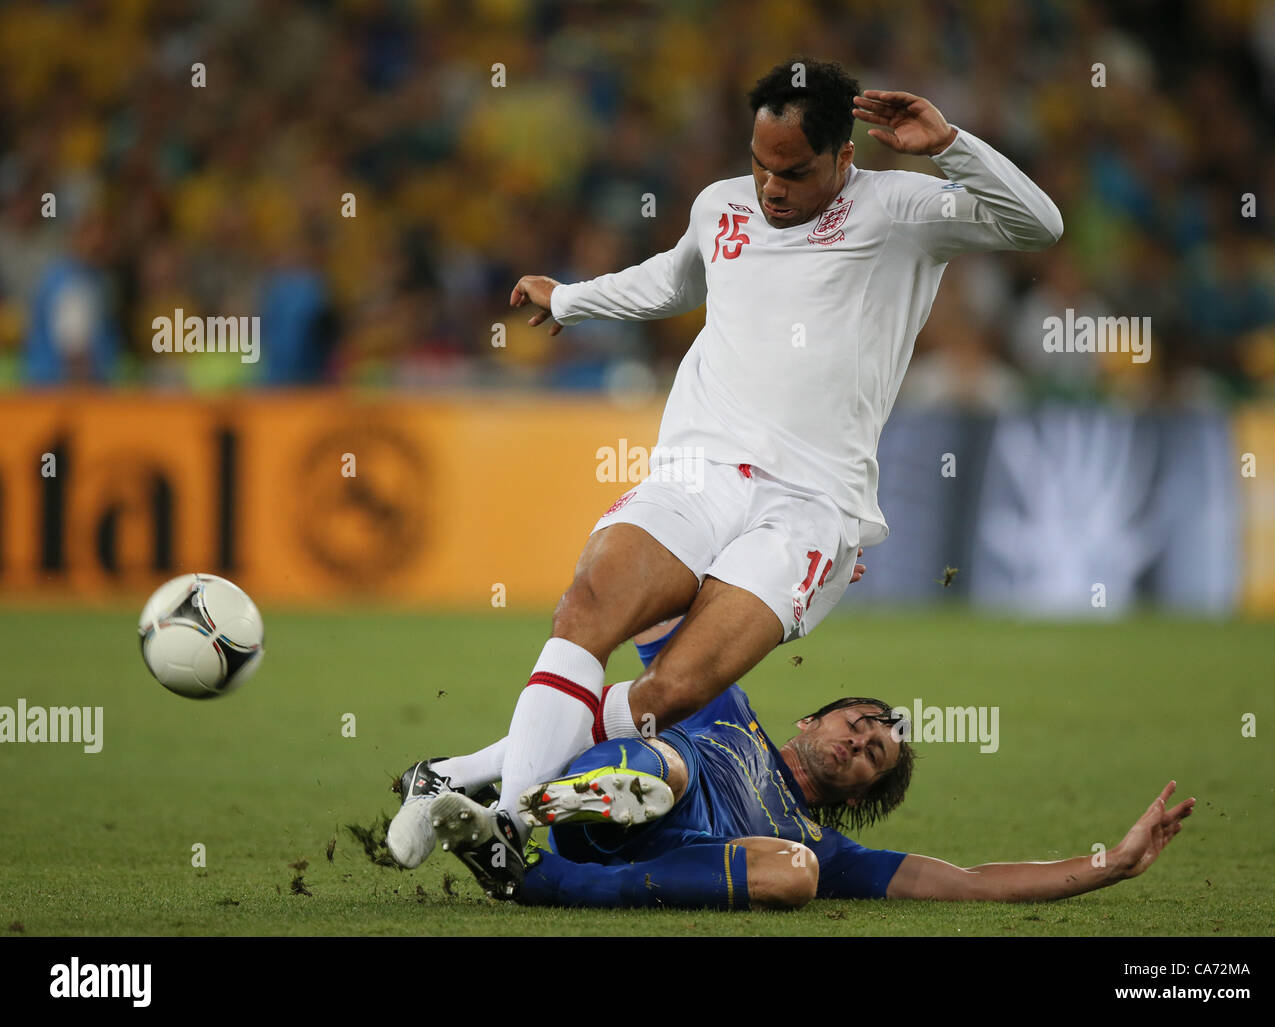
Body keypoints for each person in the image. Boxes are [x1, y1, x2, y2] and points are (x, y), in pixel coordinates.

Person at [396, 57, 1064, 879]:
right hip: (701, 465)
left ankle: (456, 777)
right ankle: (505, 826)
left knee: (670, 694)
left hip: (811, 508)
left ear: (843, 158)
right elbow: (676, 279)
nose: (771, 188)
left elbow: (1039, 226)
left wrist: (951, 145)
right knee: (587, 604)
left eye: (793, 171)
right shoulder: (721, 206)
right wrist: (569, 299)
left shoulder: (902, 209)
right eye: (760, 164)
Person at [406, 621, 1196, 909]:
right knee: (667, 754)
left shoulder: (825, 844)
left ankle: (507, 835)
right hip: (632, 778)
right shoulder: (726, 701)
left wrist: (1111, 864)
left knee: (794, 876)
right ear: (814, 716)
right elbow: (665, 594)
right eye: (860, 723)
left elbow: (971, 880)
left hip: (662, 858)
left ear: (863, 793)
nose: (861, 741)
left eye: (875, 753)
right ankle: (525, 807)